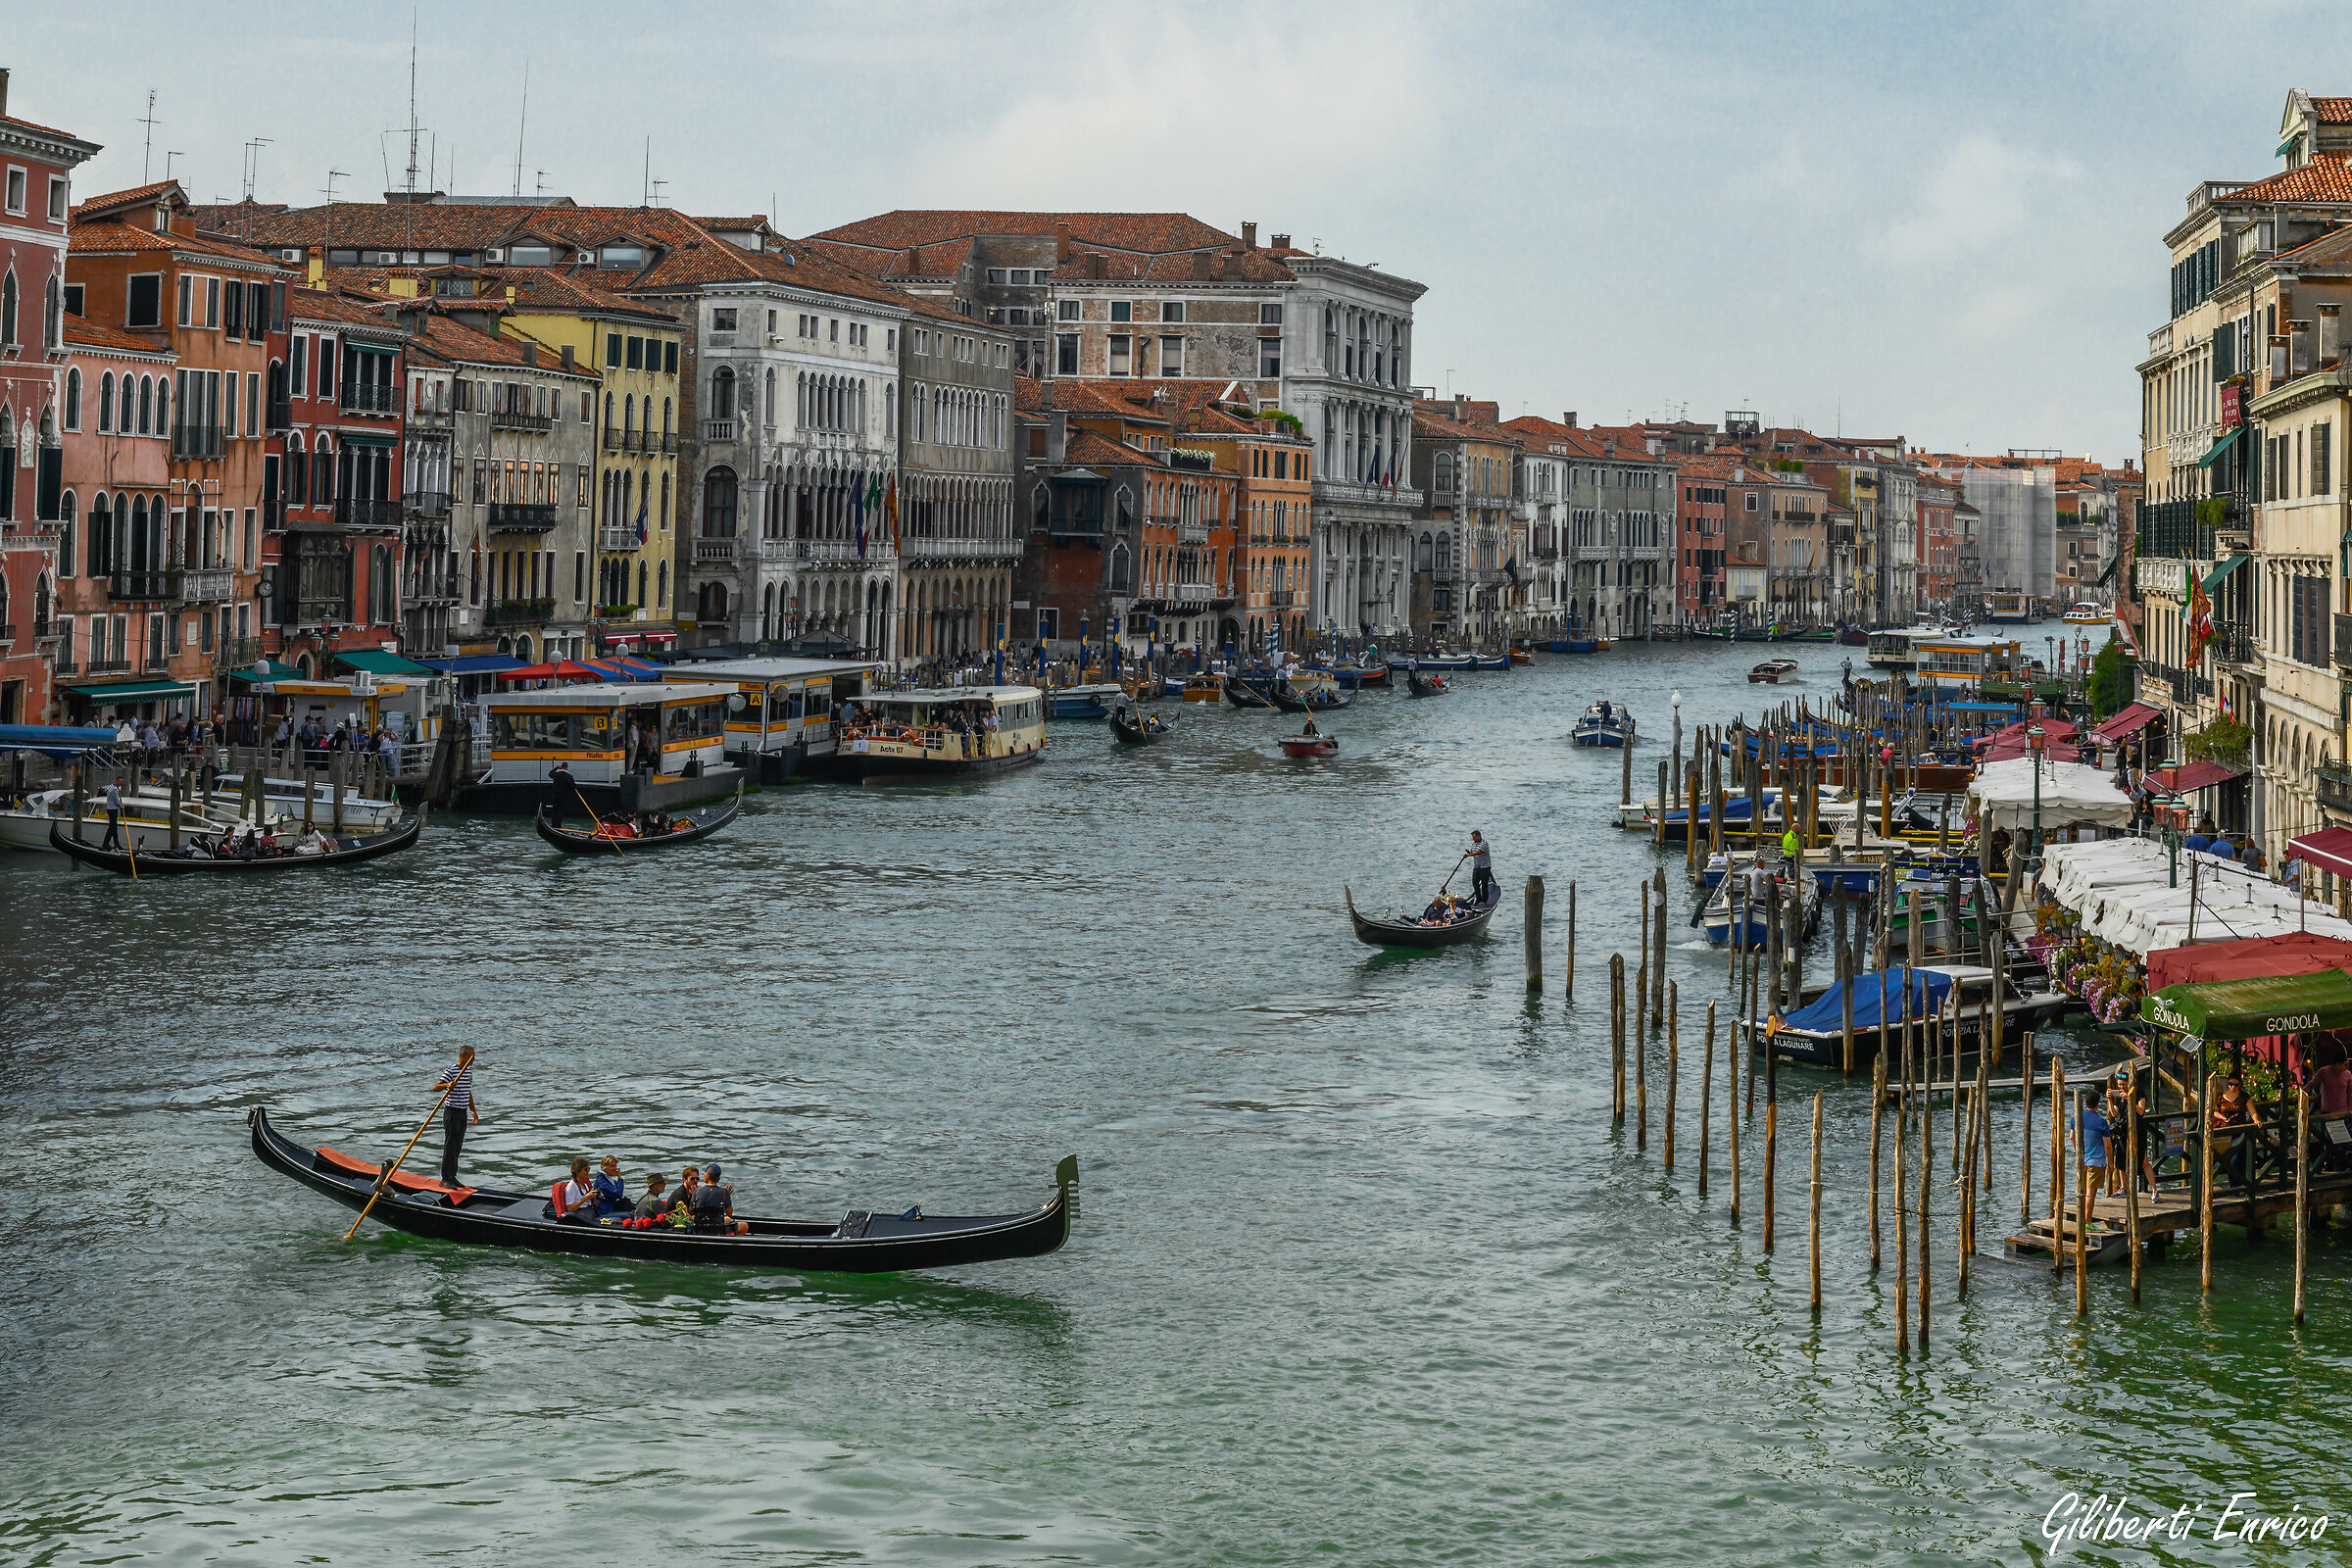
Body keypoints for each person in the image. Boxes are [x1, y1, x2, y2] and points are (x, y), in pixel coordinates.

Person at [433, 1047, 479, 1186]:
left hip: (462, 1112)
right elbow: (435, 1087)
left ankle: (452, 1176)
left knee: (458, 1145)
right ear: (464, 1056)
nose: (474, 1060)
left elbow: (468, 1092)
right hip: (451, 1112)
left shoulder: (468, 1072)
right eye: (472, 1057)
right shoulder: (451, 1070)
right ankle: (445, 1178)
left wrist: (473, 1110)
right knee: (450, 1145)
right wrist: (447, 1084)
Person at [691, 1165, 749, 1235]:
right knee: (744, 1226)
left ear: (708, 1175)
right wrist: (726, 1198)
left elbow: (690, 1211)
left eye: (704, 1173)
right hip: (718, 1231)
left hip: (699, 1230)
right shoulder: (724, 1192)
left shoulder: (697, 1191)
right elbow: (729, 1213)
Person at [554, 1156, 597, 1221]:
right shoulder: (572, 1186)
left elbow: (590, 1204)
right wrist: (586, 1197)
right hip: (580, 1216)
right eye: (585, 1169)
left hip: (590, 1212)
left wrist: (597, 1198)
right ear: (578, 1171)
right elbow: (570, 1208)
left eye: (589, 1169)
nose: (588, 1171)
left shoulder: (585, 1185)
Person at [1467, 830, 1494, 906]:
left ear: (1478, 836)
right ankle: (1478, 898)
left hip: (1485, 867)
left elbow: (1478, 852)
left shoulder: (1484, 843)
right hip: (1477, 867)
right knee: (1475, 882)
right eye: (1472, 837)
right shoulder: (1473, 844)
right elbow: (1472, 852)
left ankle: (1485, 900)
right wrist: (1468, 853)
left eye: (1474, 837)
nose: (1473, 839)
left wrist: (1469, 855)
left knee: (1484, 884)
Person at [101, 776, 123, 851]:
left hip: (109, 809)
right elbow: (117, 801)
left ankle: (116, 844)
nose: (120, 783)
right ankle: (106, 843)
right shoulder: (115, 789)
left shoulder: (111, 786)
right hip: (113, 810)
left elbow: (106, 791)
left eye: (121, 782)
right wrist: (121, 806)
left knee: (113, 827)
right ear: (116, 781)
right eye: (119, 781)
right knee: (112, 827)